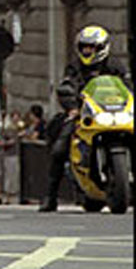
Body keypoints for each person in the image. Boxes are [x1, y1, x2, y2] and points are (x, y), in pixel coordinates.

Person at [39, 25, 133, 212]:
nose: (87, 51)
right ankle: (50, 196)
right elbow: (67, 86)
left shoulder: (116, 66)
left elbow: (127, 87)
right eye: (84, 47)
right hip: (85, 114)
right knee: (60, 148)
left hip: (115, 112)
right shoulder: (74, 67)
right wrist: (72, 108)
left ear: (102, 48)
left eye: (92, 48)